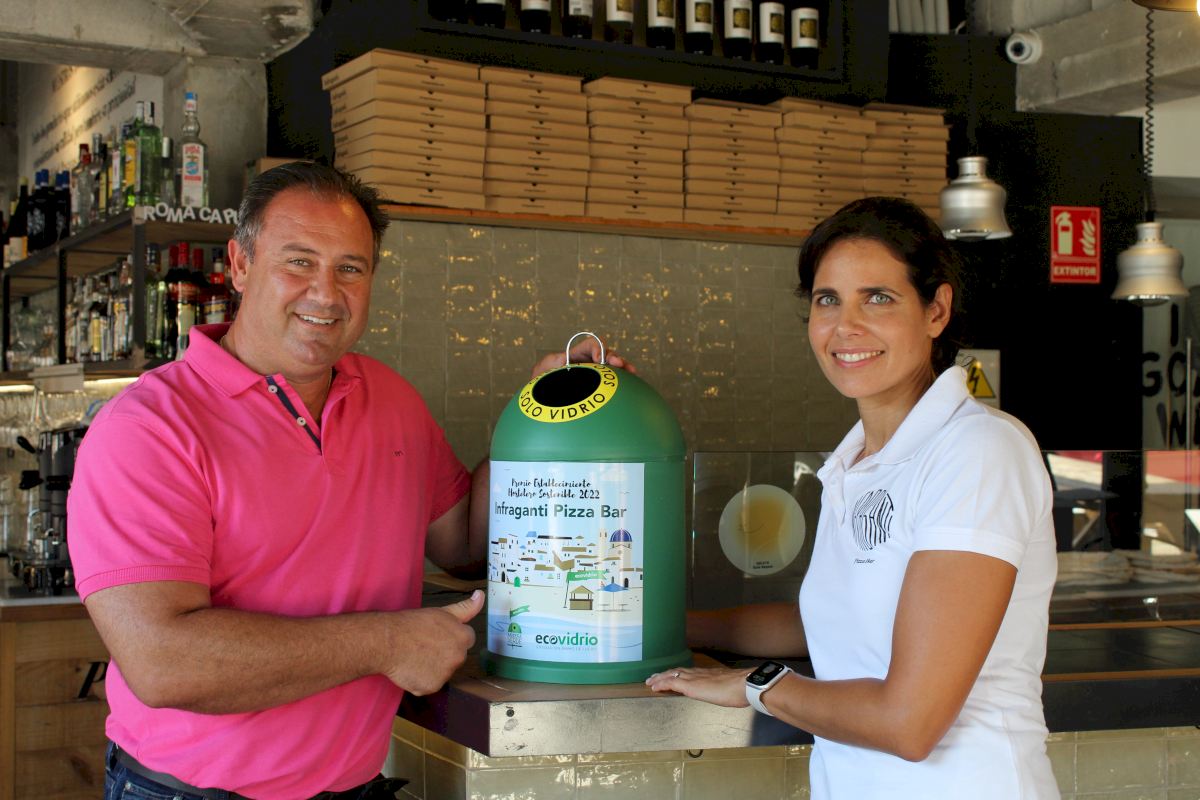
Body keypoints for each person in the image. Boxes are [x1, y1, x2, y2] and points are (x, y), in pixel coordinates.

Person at [67, 162, 629, 799]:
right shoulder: (148, 428)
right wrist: (386, 643)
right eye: (299, 262)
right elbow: (163, 663)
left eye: (350, 269)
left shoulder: (390, 400)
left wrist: (544, 413)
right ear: (240, 264)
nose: (326, 294)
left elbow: (467, 547)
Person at [647, 197, 1059, 798]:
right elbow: (830, 620)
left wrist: (759, 686)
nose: (846, 326)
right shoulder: (856, 463)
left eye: (879, 298)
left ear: (936, 310)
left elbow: (909, 723)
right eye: (828, 300)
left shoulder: (978, 450)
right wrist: (658, 627)